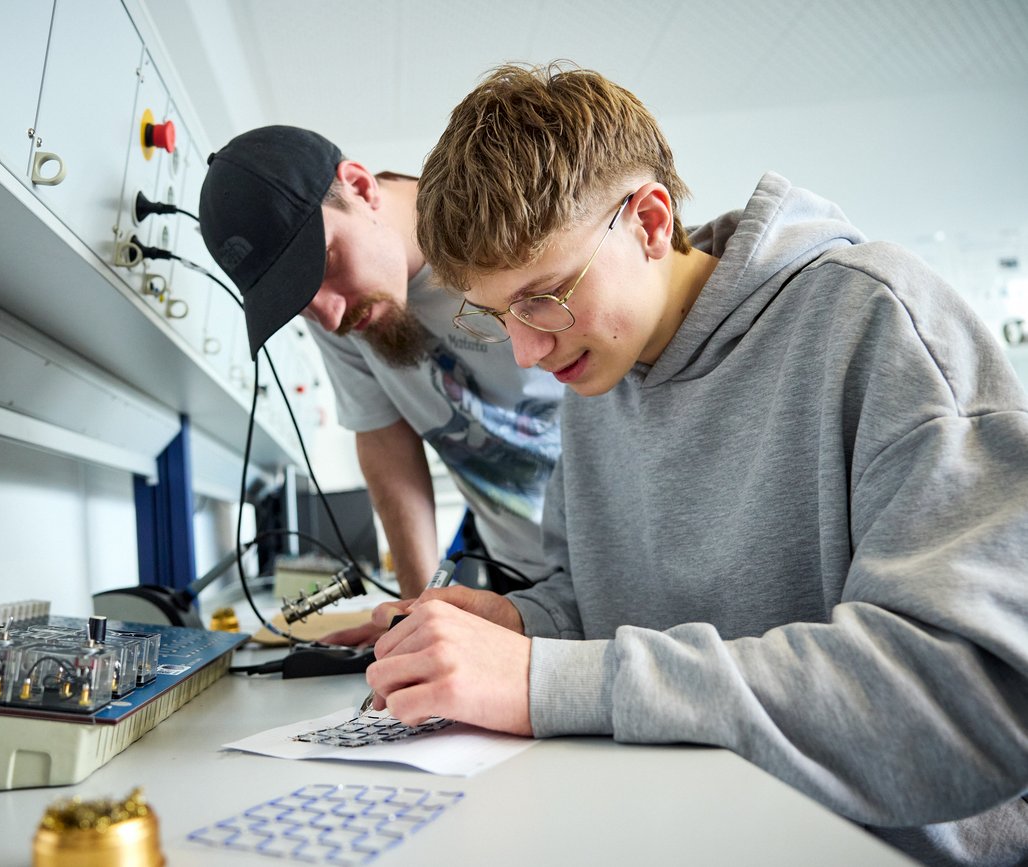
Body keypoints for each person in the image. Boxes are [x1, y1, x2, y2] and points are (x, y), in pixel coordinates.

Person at [364, 62, 1028, 866]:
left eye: (545, 294)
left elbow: (973, 696)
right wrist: (522, 625)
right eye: (499, 314)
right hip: (679, 828)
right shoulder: (595, 378)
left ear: (648, 221)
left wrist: (549, 678)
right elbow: (598, 603)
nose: (527, 350)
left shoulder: (878, 323)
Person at [199, 126, 564, 600]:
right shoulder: (339, 306)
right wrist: (418, 611)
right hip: (523, 576)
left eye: (324, 263)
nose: (329, 316)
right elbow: (385, 440)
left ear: (361, 187)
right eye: (299, 300)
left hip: (628, 552)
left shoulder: (495, 225)